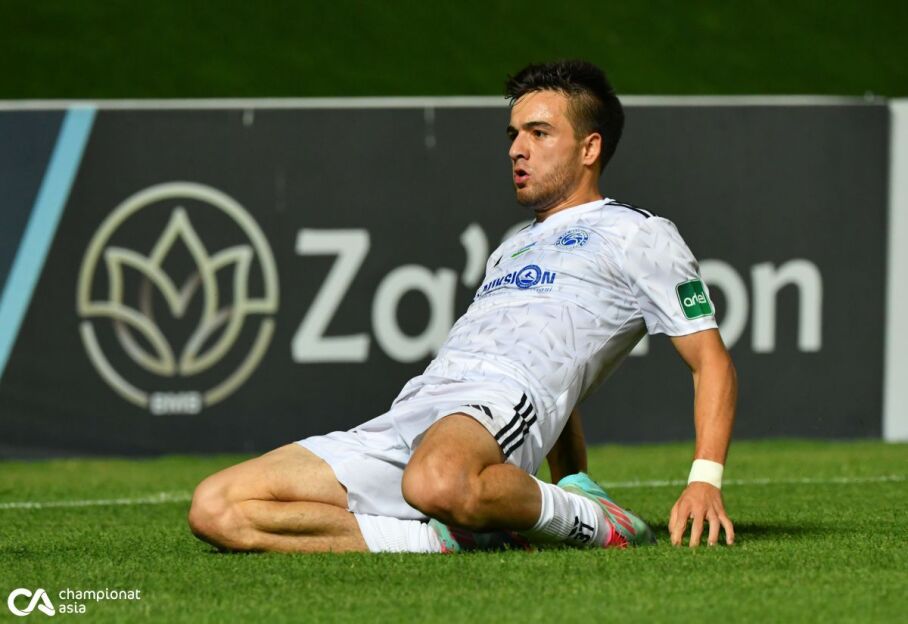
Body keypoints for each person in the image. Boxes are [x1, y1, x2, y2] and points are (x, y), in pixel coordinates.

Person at [188, 59, 737, 554]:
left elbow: (710, 362)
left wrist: (704, 481)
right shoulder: (512, 247)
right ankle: (448, 537)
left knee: (435, 481)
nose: (516, 149)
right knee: (217, 507)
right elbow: (554, 351)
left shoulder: (638, 234)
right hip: (418, 405)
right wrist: (571, 476)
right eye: (513, 134)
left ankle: (595, 522)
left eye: (539, 133)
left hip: (497, 404)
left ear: (590, 148)